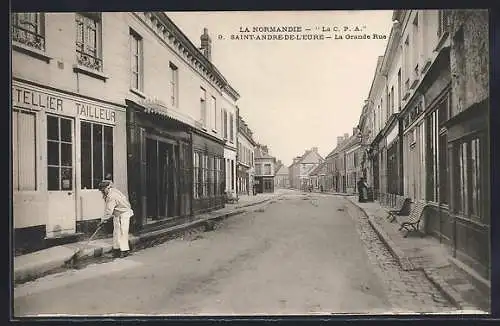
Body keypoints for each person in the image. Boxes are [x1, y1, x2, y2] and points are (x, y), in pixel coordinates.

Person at [98, 180, 134, 258]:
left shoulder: (112, 196)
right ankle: (116, 249)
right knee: (117, 232)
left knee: (122, 232)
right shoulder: (112, 192)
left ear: (107, 187)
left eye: (103, 189)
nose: (102, 191)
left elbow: (109, 211)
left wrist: (103, 220)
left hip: (124, 213)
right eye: (101, 190)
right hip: (117, 212)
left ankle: (125, 251)